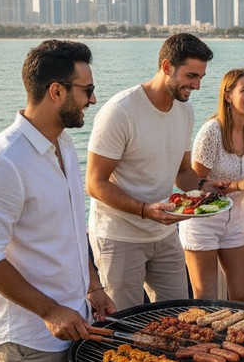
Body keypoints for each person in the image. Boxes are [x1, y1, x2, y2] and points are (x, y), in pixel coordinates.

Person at [0, 40, 116, 362]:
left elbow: (73, 229)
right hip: (28, 340)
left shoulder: (64, 144)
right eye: (87, 89)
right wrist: (50, 310)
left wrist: (93, 287)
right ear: (56, 92)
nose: (93, 99)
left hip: (76, 321)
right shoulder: (3, 162)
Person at [86, 33, 223, 310]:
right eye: (191, 76)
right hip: (119, 237)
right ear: (166, 67)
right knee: (125, 321)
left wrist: (205, 187)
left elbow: (183, 173)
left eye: (201, 78)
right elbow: (94, 183)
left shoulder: (185, 112)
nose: (196, 85)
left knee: (176, 318)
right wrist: (145, 210)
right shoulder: (120, 111)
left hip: (164, 233)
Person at [179, 68, 244, 302]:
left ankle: (238, 340)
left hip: (236, 221)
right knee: (206, 298)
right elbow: (196, 187)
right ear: (227, 96)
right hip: (203, 222)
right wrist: (238, 185)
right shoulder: (212, 131)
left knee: (243, 296)